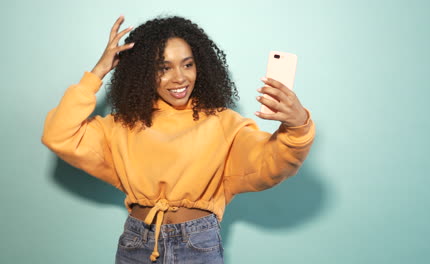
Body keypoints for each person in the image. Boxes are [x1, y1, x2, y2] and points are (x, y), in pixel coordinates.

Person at [41, 14, 315, 264]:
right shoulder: (123, 125)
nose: (179, 78)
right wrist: (96, 73)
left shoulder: (224, 123)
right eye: (164, 68)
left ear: (201, 66)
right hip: (137, 243)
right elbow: (58, 135)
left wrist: (297, 124)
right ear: (145, 72)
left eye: (188, 64)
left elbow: (272, 163)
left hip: (197, 244)